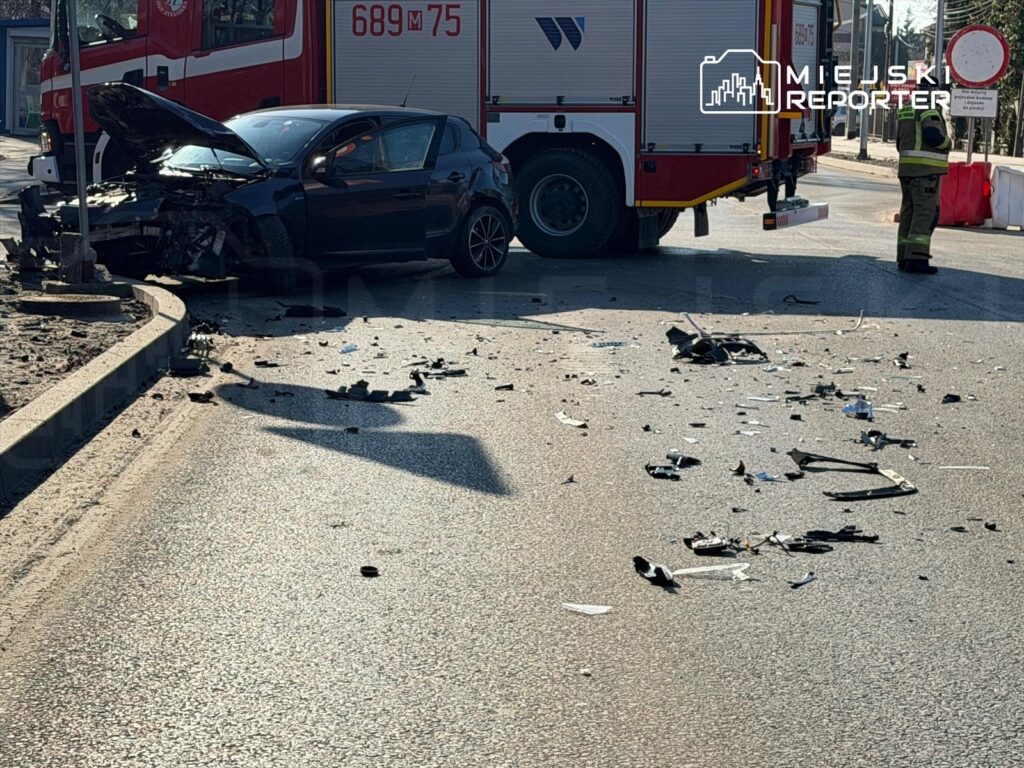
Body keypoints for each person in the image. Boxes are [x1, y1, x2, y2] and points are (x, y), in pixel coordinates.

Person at [896, 79, 951, 274]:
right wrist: (948, 144)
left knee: (908, 213)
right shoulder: (928, 108)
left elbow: (899, 142)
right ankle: (917, 259)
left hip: (907, 170)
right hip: (925, 172)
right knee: (924, 214)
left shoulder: (907, 108)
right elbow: (933, 136)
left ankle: (904, 256)